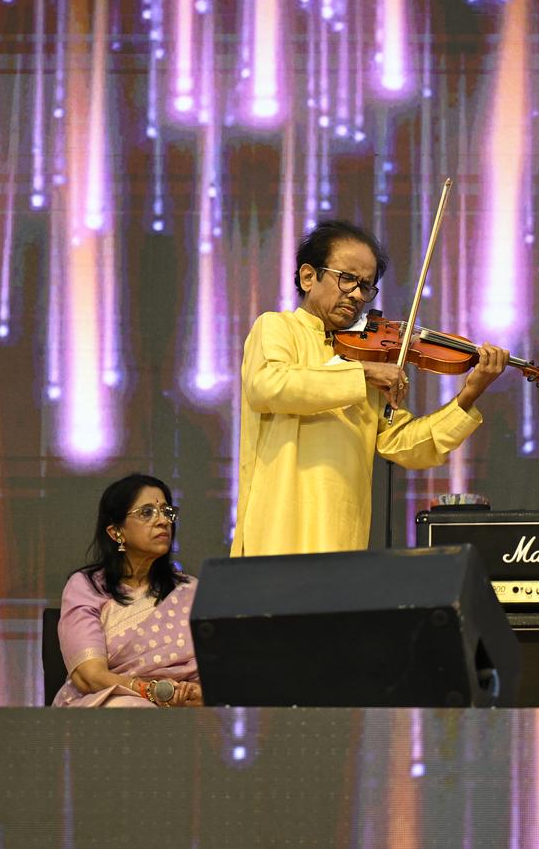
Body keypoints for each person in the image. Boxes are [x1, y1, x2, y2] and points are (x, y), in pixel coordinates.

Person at [232, 220, 509, 556]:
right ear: (308, 277)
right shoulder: (278, 327)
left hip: (342, 536)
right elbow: (268, 386)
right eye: (347, 279)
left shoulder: (362, 355)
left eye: (366, 286)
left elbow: (406, 446)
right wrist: (362, 374)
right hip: (277, 532)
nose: (358, 295)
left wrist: (469, 394)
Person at [53, 474, 202, 707]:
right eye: (147, 513)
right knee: (132, 708)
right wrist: (152, 692)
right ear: (116, 532)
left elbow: (216, 676)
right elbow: (89, 677)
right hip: (106, 704)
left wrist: (195, 693)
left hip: (183, 711)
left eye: (167, 512)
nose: (163, 521)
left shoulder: (191, 591)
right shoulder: (87, 587)